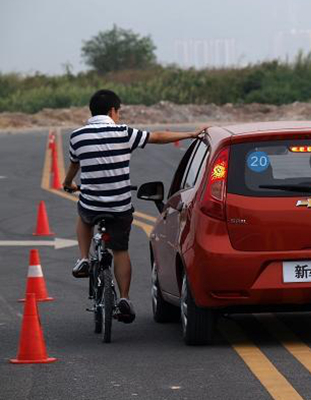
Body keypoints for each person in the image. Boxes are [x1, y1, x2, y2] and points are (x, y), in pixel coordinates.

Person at [62, 89, 206, 323]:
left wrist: (68, 183)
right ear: (112, 111)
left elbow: (74, 165)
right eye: (119, 112)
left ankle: (83, 259)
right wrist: (190, 133)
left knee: (84, 213)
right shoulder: (123, 132)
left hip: (92, 203)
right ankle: (125, 298)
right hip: (119, 205)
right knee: (120, 251)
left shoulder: (77, 136)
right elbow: (157, 137)